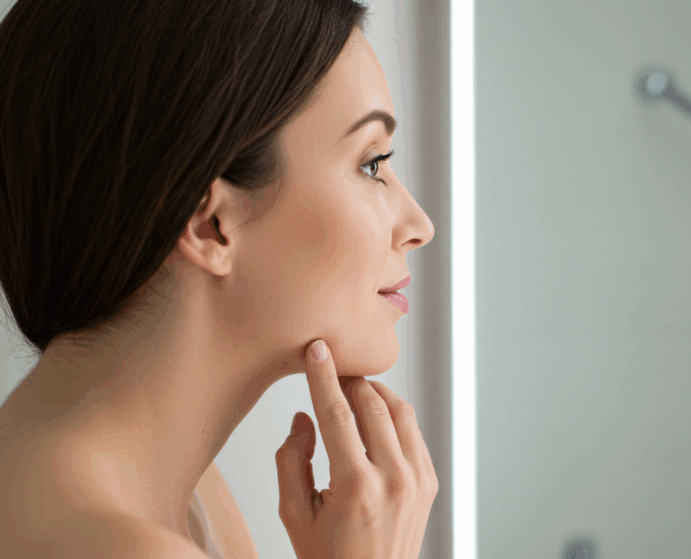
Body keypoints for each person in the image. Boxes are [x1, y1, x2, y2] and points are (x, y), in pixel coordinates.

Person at [0, 0, 438, 557]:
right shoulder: (124, 546)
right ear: (211, 225)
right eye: (371, 163)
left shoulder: (185, 495)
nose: (419, 226)